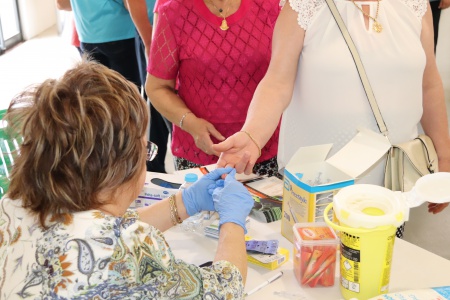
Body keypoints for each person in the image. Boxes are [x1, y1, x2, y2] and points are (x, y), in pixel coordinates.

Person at [0, 60, 254, 299]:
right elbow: (224, 291)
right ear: (118, 167)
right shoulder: (128, 248)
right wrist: (233, 221)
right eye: (144, 150)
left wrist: (184, 203)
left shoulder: (13, 204)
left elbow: (99, 227)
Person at [213, 0, 450, 217]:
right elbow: (276, 82)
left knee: (376, 259)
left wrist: (444, 156)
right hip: (318, 185)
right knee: (316, 260)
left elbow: (428, 85)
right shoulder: (304, 7)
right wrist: (253, 134)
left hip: (391, 186)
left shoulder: (415, 6)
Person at [145, 0, 281, 177]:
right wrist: (191, 124)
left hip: (265, 147)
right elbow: (157, 87)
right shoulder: (172, 12)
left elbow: (285, 76)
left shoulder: (272, 5)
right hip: (200, 155)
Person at [125, 0, 173, 173]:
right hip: (158, 32)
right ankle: (152, 166)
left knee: (160, 108)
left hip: (171, 29)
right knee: (159, 100)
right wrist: (148, 41)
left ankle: (153, 165)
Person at [56, 0, 141, 87]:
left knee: (98, 91)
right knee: (127, 90)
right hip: (120, 32)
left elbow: (61, 4)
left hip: (87, 35)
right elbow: (130, 4)